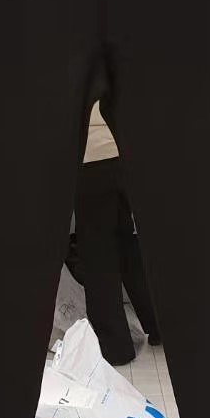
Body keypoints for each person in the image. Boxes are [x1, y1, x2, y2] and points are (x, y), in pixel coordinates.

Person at [70, 104, 161, 367]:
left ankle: (115, 347)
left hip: (91, 156)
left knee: (98, 255)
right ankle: (160, 324)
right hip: (125, 152)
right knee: (126, 244)